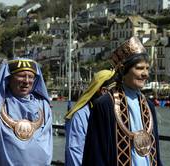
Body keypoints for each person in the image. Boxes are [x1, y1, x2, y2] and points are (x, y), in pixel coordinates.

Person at [82, 36, 163, 166]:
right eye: (139, 68)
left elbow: (156, 153)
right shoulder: (105, 105)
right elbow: (95, 155)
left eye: (147, 68)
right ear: (123, 70)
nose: (145, 74)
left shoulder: (149, 106)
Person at [0, 58, 53, 165]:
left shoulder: (43, 106)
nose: (26, 81)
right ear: (9, 78)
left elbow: (47, 145)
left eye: (31, 77)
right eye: (21, 76)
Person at [64, 69, 115, 166]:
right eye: (116, 90)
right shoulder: (81, 116)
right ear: (104, 91)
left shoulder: (115, 113)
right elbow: (75, 152)